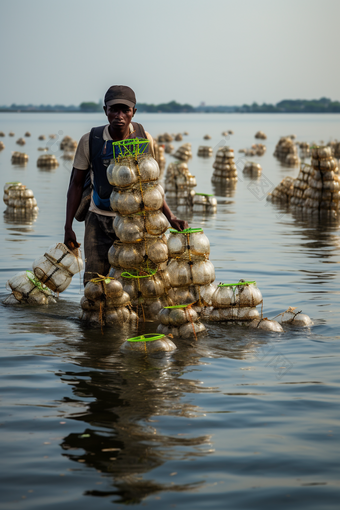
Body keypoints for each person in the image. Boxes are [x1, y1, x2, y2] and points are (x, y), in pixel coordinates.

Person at [64, 85, 188, 285]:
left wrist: (170, 216)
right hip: (99, 220)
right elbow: (76, 185)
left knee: (135, 283)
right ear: (105, 111)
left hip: (135, 224)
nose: (119, 115)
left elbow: (151, 186)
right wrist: (68, 226)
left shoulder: (144, 139)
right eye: (114, 109)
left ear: (133, 113)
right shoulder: (90, 140)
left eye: (125, 110)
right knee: (95, 283)